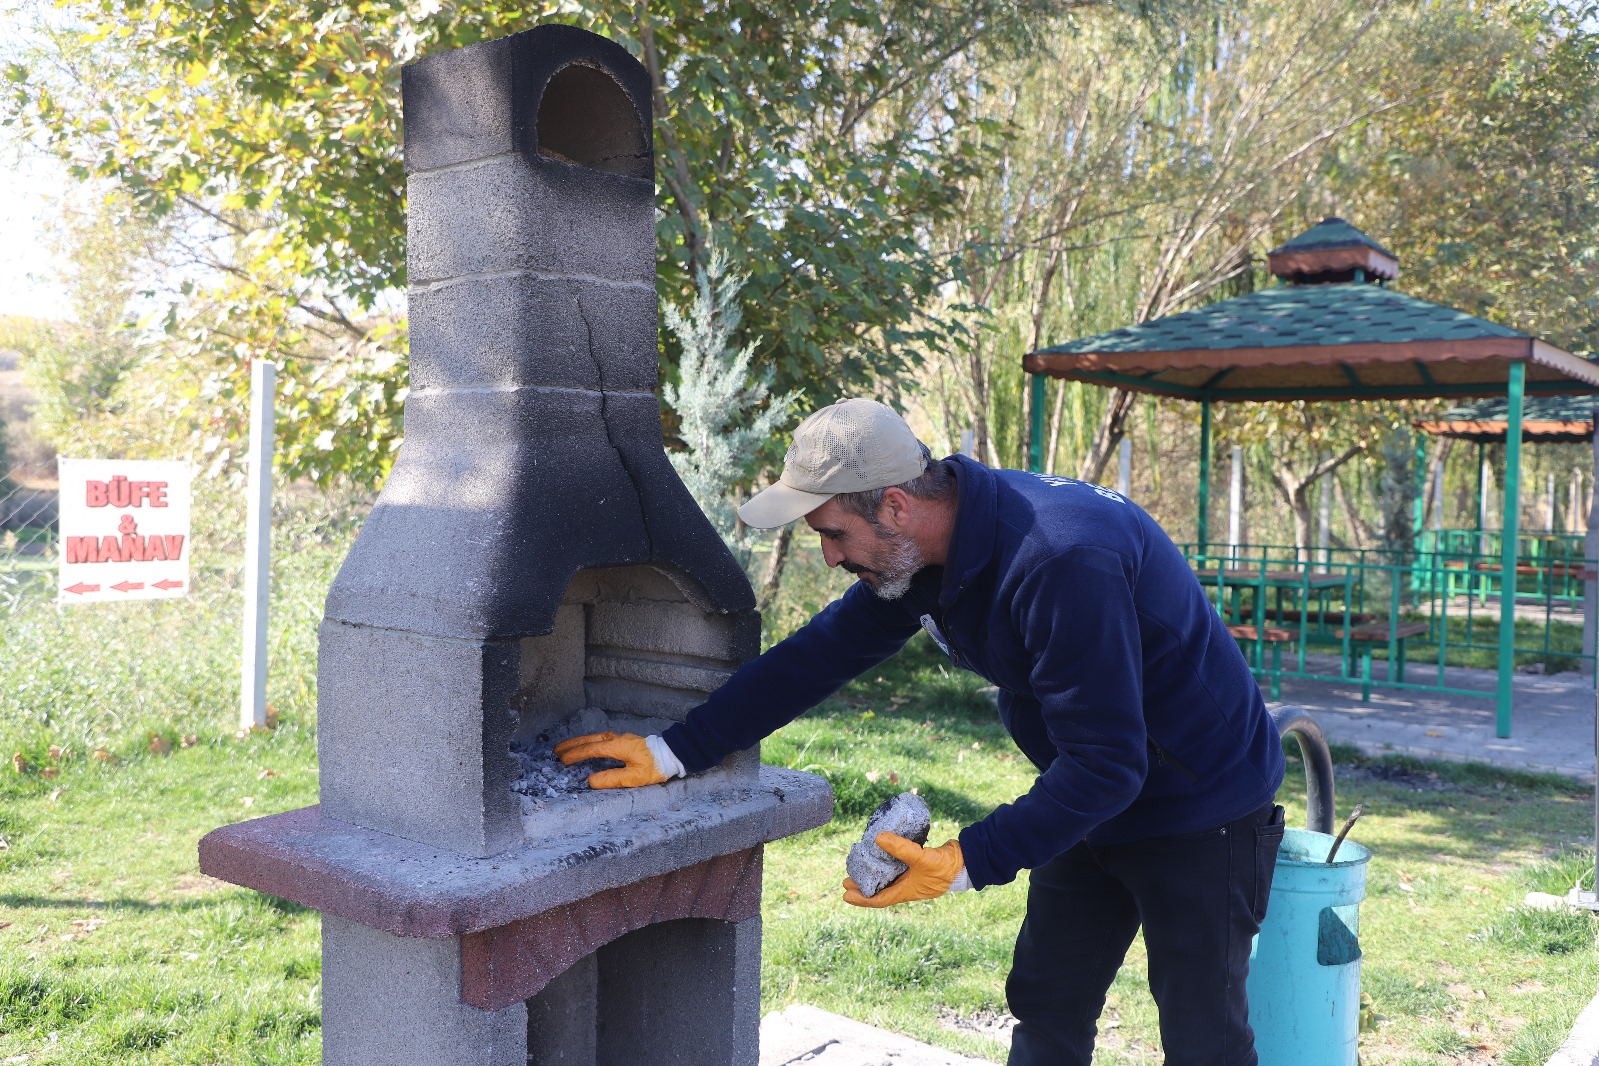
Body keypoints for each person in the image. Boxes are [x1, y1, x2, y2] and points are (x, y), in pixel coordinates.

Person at [556, 398, 1286, 1065]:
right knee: (1047, 1001)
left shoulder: (1062, 558)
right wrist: (674, 749)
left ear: (896, 506)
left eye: (833, 533)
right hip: (1086, 796)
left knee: (1201, 1035)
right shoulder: (926, 555)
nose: (830, 557)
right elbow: (819, 655)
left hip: (1201, 808)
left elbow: (1109, 764)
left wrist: (966, 859)